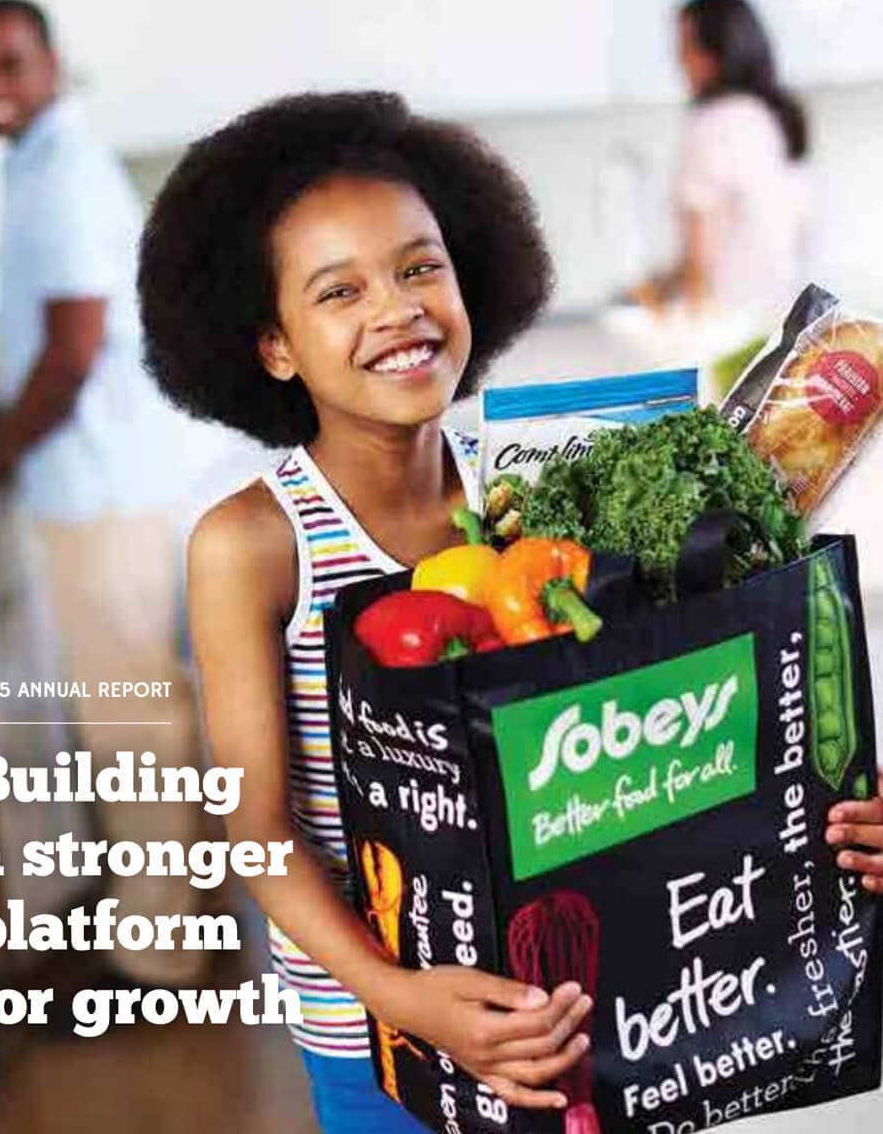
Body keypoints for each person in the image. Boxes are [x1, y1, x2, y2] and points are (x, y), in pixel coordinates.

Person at [136, 91, 883, 1128]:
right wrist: (406, 997)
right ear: (273, 345)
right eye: (339, 290)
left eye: (419, 266)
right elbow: (257, 826)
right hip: (380, 1038)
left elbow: (655, 734)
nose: (396, 308)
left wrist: (829, 796)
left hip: (592, 1009)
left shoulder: (533, 491)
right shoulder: (253, 544)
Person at [0, 0, 210, 992]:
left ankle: (159, 956)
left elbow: (68, 355)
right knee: (146, 711)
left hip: (101, 494)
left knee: (132, 723)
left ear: (53, 62)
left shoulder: (58, 172)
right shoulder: (35, 166)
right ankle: (175, 923)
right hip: (111, 484)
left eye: (10, 64)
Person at [637, 0, 811, 359]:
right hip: (776, 318)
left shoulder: (714, 122)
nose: (679, 60)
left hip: (726, 327)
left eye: (687, 46)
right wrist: (666, 282)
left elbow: (704, 239)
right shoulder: (769, 116)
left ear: (719, 52)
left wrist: (689, 336)